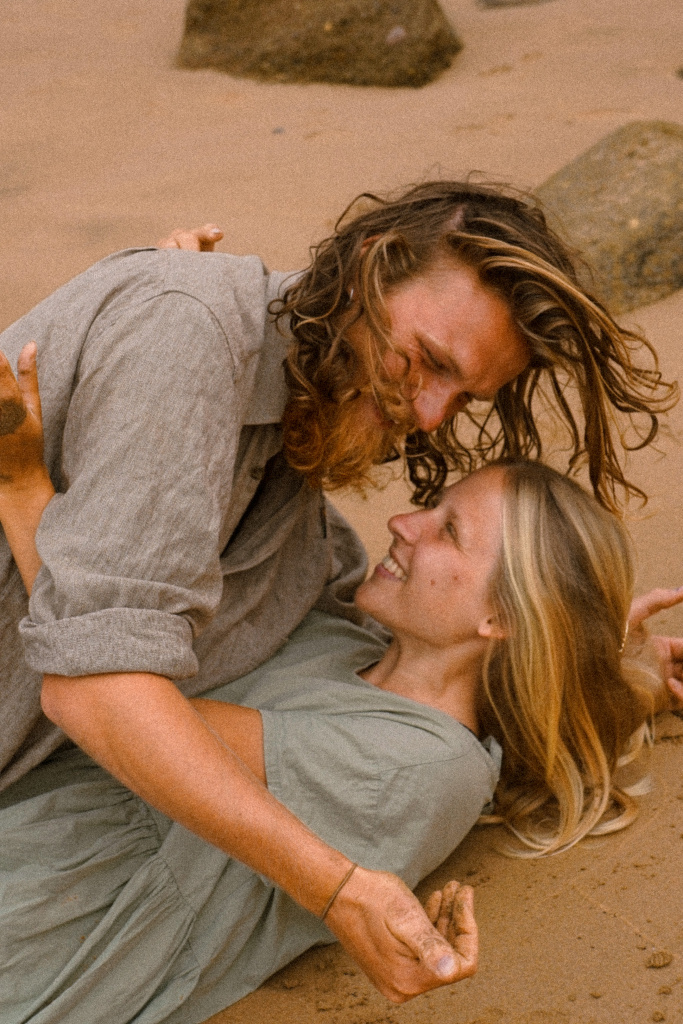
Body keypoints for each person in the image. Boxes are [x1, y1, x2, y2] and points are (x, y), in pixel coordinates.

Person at [0, 182, 676, 1000]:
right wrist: (335, 888)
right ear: (369, 266)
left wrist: (587, 651)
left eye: (463, 396)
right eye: (429, 361)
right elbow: (101, 689)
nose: (430, 416)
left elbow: (411, 653)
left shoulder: (298, 495)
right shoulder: (191, 338)